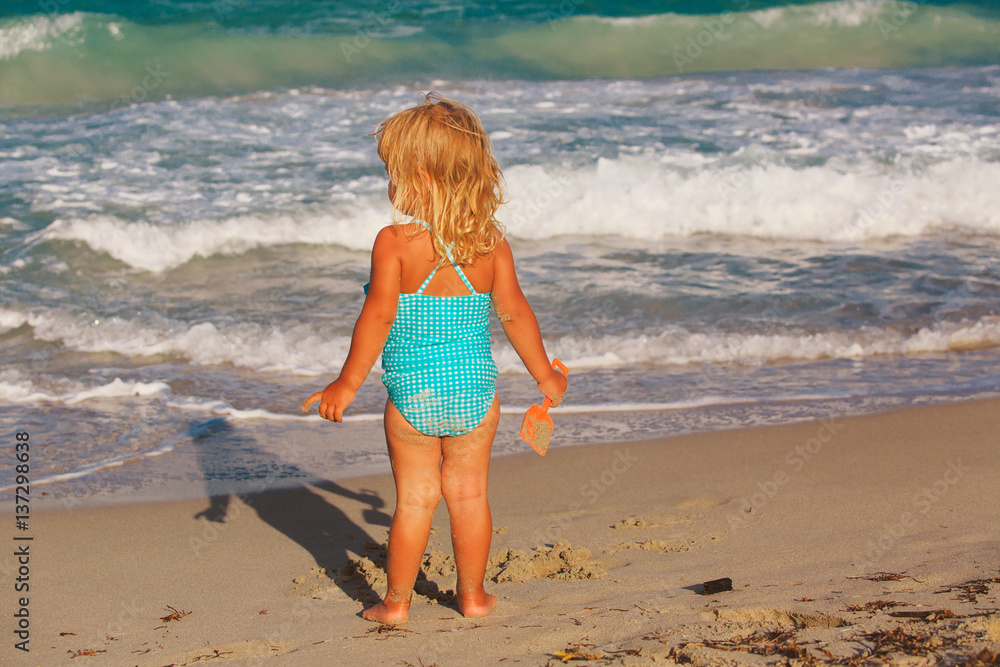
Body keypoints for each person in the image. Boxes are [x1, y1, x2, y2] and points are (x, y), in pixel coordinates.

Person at [302, 93, 567, 624]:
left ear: (421, 179)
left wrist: (347, 384)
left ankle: (396, 603)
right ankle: (473, 598)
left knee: (416, 499)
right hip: (475, 395)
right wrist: (545, 376)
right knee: (468, 496)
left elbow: (377, 318)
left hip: (412, 398)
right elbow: (514, 314)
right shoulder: (490, 244)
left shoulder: (394, 243)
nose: (390, 184)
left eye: (394, 173)